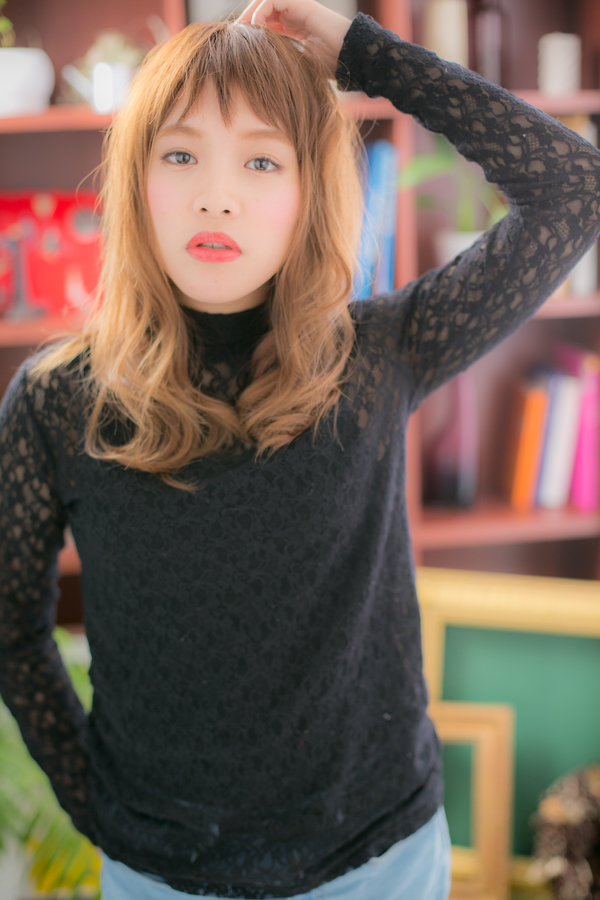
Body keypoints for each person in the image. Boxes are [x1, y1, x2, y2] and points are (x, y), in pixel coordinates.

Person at [1, 0, 599, 897]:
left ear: (309, 193)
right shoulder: (55, 401)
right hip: (157, 875)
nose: (217, 194)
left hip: (380, 862)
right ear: (135, 181)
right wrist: (97, 804)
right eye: (180, 154)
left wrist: (363, 52)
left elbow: (575, 189)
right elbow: (11, 628)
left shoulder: (382, 352)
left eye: (261, 159)